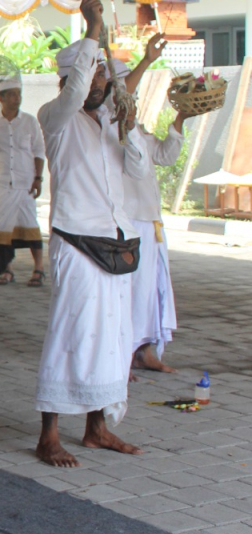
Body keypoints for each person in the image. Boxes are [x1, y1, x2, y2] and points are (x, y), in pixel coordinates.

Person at [34, 0, 153, 468]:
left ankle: (97, 429)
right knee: (72, 334)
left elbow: (140, 173)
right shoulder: (55, 118)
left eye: (106, 75)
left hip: (115, 244)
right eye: (95, 73)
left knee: (112, 338)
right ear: (69, 81)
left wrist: (128, 128)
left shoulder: (109, 123)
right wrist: (94, 29)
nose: (103, 81)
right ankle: (48, 436)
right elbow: (80, 81)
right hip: (76, 244)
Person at [113, 47, 178, 374]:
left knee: (152, 291)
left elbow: (166, 155)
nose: (133, 99)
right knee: (131, 291)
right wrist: (149, 59)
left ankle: (145, 350)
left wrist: (180, 119)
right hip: (130, 223)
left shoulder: (138, 129)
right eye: (128, 92)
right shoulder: (112, 129)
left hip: (152, 223)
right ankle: (122, 356)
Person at [0, 77, 46, 286]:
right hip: (2, 183)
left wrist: (38, 178)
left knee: (30, 224)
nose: (17, 98)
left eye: (19, 94)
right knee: (2, 226)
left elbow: (38, 151)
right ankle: (6, 269)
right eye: (12, 94)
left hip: (25, 181)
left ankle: (39, 268)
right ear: (1, 98)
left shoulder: (29, 121)